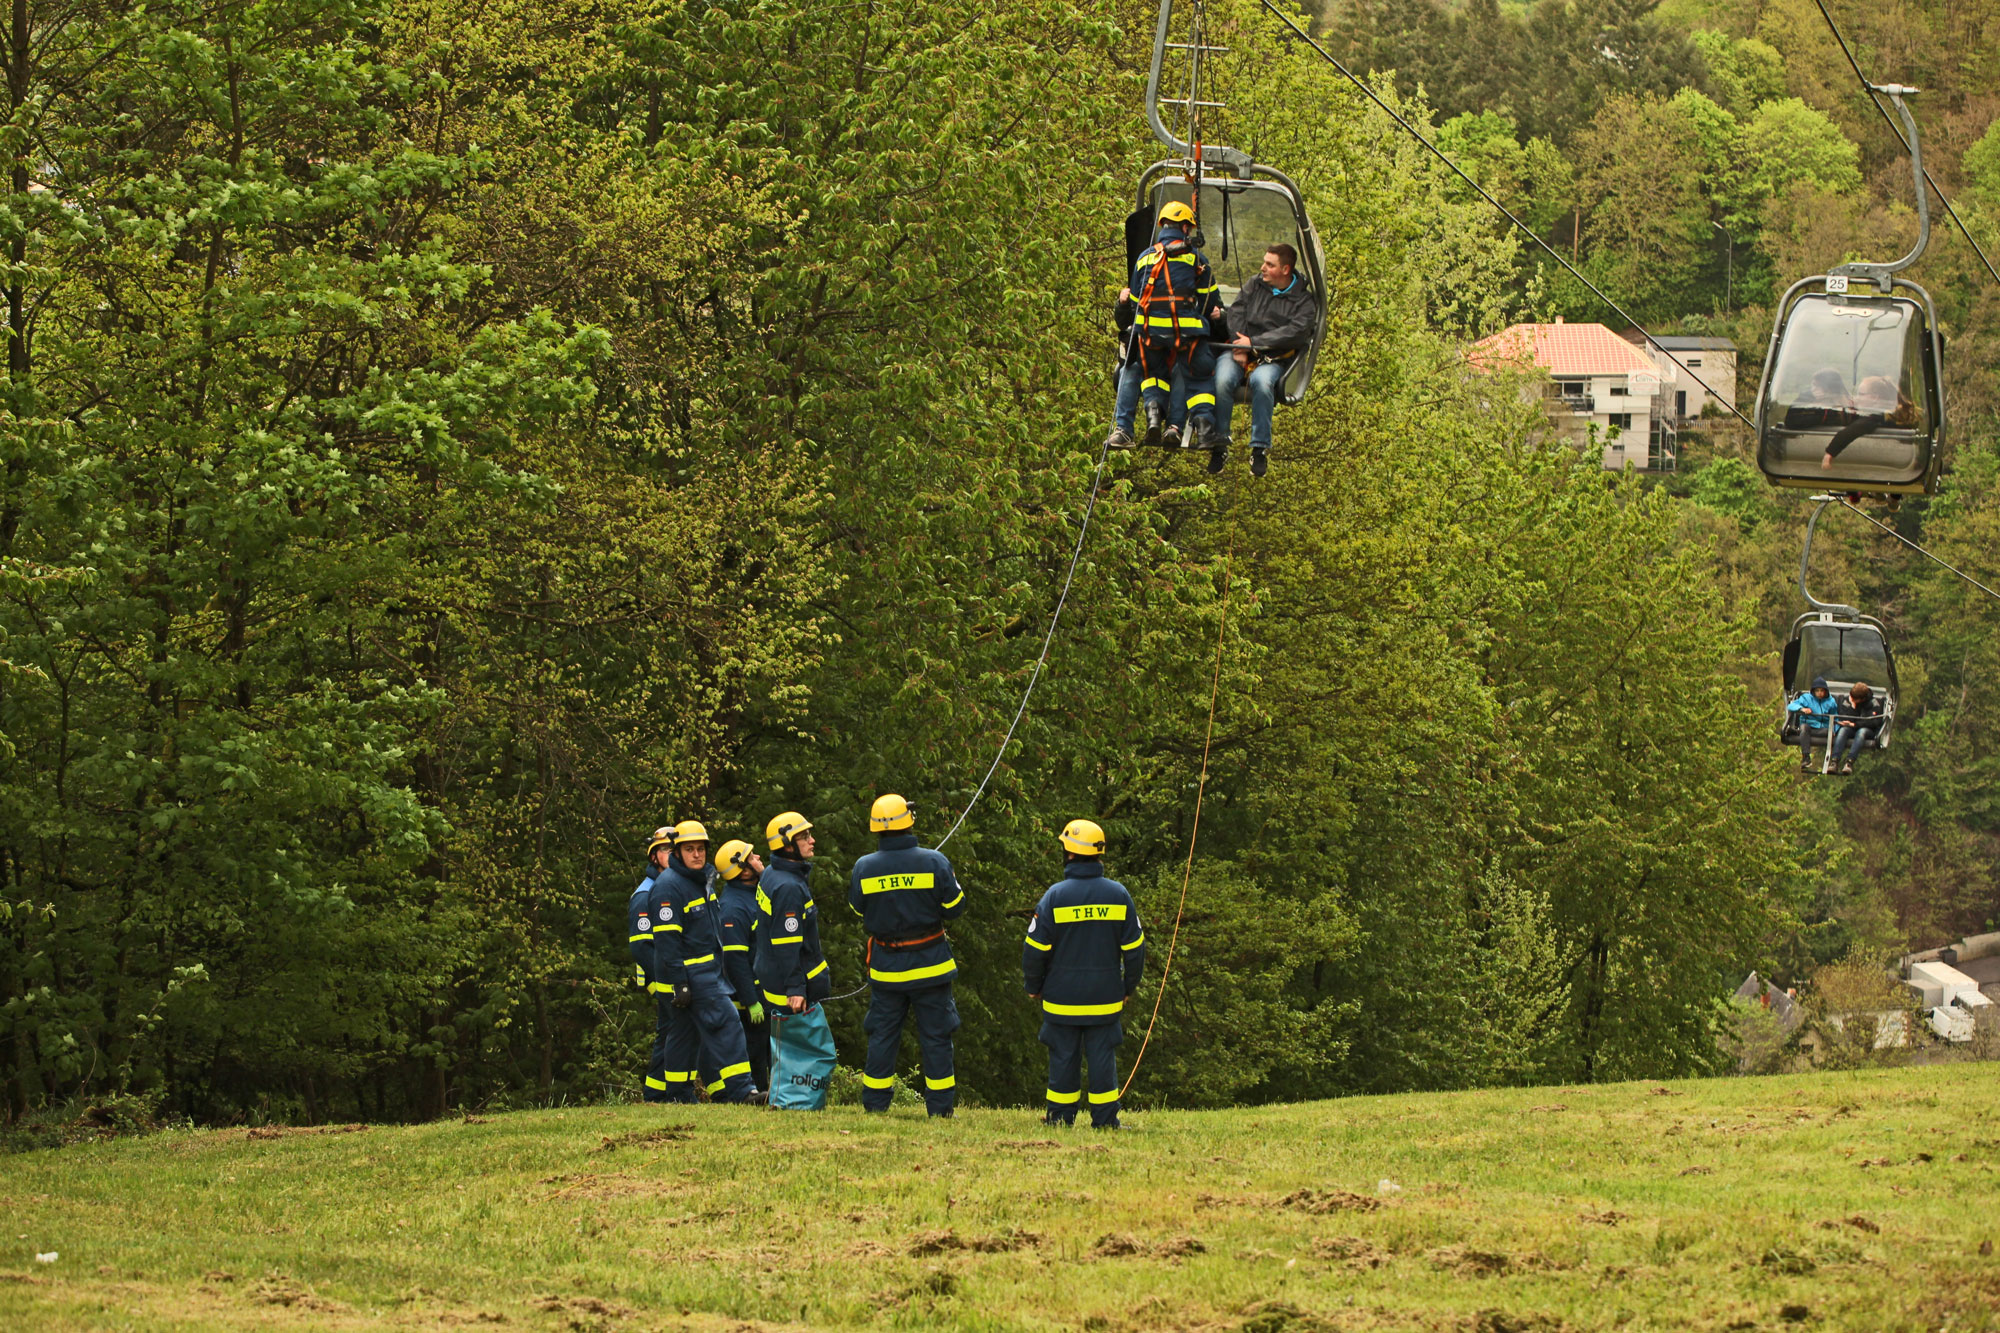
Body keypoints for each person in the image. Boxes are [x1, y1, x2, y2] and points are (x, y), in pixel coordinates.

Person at [848, 794, 967, 1118]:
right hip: (931, 967)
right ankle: (940, 1111)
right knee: (937, 1037)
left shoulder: (864, 867)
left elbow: (857, 908)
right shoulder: (934, 861)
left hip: (887, 970)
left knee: (882, 1037)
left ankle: (875, 1105)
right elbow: (955, 909)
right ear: (908, 820)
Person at [1021, 819, 1145, 1130]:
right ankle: (1105, 1121)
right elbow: (1135, 949)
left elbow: (1035, 950)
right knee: (1102, 1060)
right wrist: (1128, 986)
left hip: (1061, 998)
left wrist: (1033, 986)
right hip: (1104, 998)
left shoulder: (1054, 897)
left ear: (1070, 855)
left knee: (1063, 1058)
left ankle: (1060, 1119)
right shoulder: (1119, 895)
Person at [648, 819, 761, 1104]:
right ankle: (742, 1091)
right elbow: (666, 942)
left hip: (705, 970)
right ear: (677, 852)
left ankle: (677, 1095)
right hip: (692, 973)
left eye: (700, 849)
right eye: (690, 849)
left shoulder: (702, 880)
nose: (697, 854)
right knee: (728, 1022)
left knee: (684, 1035)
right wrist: (680, 983)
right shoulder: (668, 887)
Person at [1104, 201, 1224, 452]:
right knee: (1199, 375)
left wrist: (1129, 305)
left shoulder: (1144, 259)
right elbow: (1208, 302)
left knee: (1152, 374)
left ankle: (1151, 421)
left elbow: (1136, 301)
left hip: (1150, 336)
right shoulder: (1196, 259)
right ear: (1184, 227)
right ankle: (1201, 432)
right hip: (1186, 335)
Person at [1210, 243, 1319, 477]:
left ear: (1286, 269)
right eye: (1264, 262)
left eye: (1270, 264)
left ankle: (1259, 448)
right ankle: (1219, 442)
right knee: (1222, 380)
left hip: (1272, 357)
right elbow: (1237, 312)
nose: (1263, 268)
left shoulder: (1303, 301)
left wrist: (1256, 342)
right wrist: (1239, 345)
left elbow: (1295, 332)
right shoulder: (1254, 285)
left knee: (1262, 383)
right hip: (1240, 350)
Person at [756, 811, 836, 1109]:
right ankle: (793, 1101)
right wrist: (795, 988)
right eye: (804, 837)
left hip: (775, 975)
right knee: (797, 1046)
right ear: (788, 844)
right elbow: (788, 943)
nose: (812, 841)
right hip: (787, 982)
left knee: (787, 1044)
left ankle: (787, 1098)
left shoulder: (773, 875)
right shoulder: (788, 887)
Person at [714, 838, 770, 1093]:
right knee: (755, 1053)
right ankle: (756, 1096)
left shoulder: (753, 895)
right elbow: (734, 960)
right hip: (747, 1001)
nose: (758, 857)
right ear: (743, 869)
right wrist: (750, 1000)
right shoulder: (733, 908)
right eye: (752, 857)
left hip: (761, 992)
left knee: (766, 1053)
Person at [628, 825, 676, 1102]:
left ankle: (659, 1094)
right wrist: (663, 983)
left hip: (675, 976)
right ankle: (656, 1095)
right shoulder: (645, 895)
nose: (671, 854)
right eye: (665, 849)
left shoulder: (672, 888)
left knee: (673, 1032)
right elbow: (641, 946)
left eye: (674, 849)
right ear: (654, 856)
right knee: (671, 1032)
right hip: (660, 979)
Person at [1822, 375, 1917, 470]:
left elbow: (1854, 429)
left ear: (1875, 397)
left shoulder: (1878, 415)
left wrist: (1829, 454)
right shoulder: (1893, 412)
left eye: (1861, 394)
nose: (1856, 398)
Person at [1829, 680, 1883, 774]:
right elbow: (1843, 715)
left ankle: (1849, 762)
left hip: (1868, 730)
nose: (1852, 700)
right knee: (1843, 730)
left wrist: (1855, 724)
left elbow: (1873, 722)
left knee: (1861, 732)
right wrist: (1853, 707)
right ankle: (1834, 761)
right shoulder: (1849, 700)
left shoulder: (1874, 704)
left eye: (1855, 699)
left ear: (1862, 699)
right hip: (1851, 728)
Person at [1787, 676, 1838, 772]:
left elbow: (1835, 717)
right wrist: (1802, 709)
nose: (1820, 693)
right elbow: (1791, 705)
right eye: (1817, 691)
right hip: (1809, 725)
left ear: (1826, 691)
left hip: (1823, 728)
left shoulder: (1831, 702)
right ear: (1813, 691)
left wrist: (1835, 730)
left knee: (1828, 732)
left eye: (1822, 691)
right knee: (1804, 728)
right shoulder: (1806, 698)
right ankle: (1806, 757)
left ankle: (1798, 733)